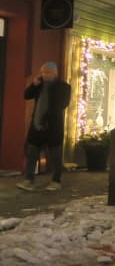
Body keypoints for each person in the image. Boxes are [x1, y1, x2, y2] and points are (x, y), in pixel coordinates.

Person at [18, 62, 72, 192]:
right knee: (32, 152)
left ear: (54, 73)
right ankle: (28, 179)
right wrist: (34, 85)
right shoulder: (39, 85)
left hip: (53, 126)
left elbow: (62, 104)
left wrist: (47, 118)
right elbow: (26, 95)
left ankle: (56, 180)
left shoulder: (63, 87)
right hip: (36, 124)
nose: (44, 75)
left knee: (55, 154)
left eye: (47, 72)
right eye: (42, 72)